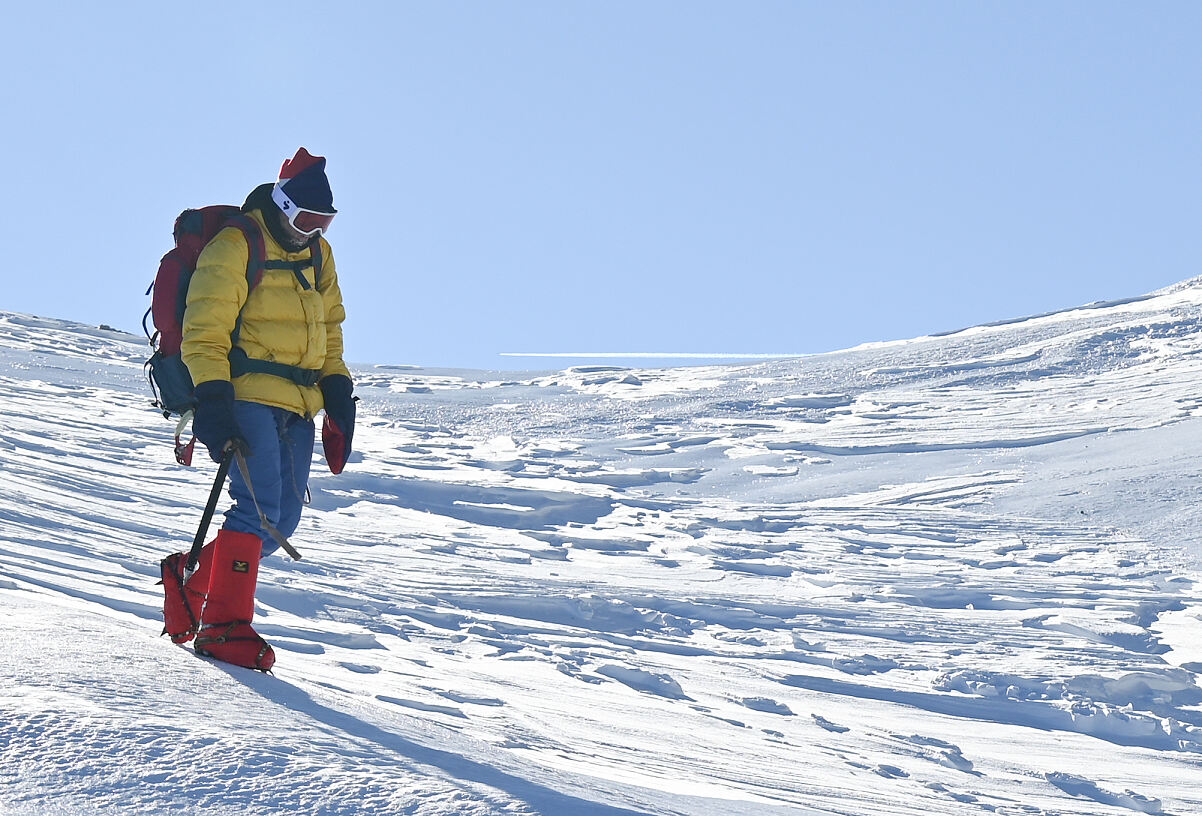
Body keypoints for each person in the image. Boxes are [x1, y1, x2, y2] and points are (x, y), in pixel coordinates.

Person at [164, 147, 356, 671]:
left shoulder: (319, 255)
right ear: (284, 205)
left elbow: (330, 327)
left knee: (283, 520)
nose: (314, 230)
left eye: (325, 222)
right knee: (258, 510)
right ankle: (224, 626)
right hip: (243, 392)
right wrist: (212, 398)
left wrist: (336, 386)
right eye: (307, 219)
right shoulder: (237, 243)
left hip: (299, 403)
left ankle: (191, 582)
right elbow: (204, 330)